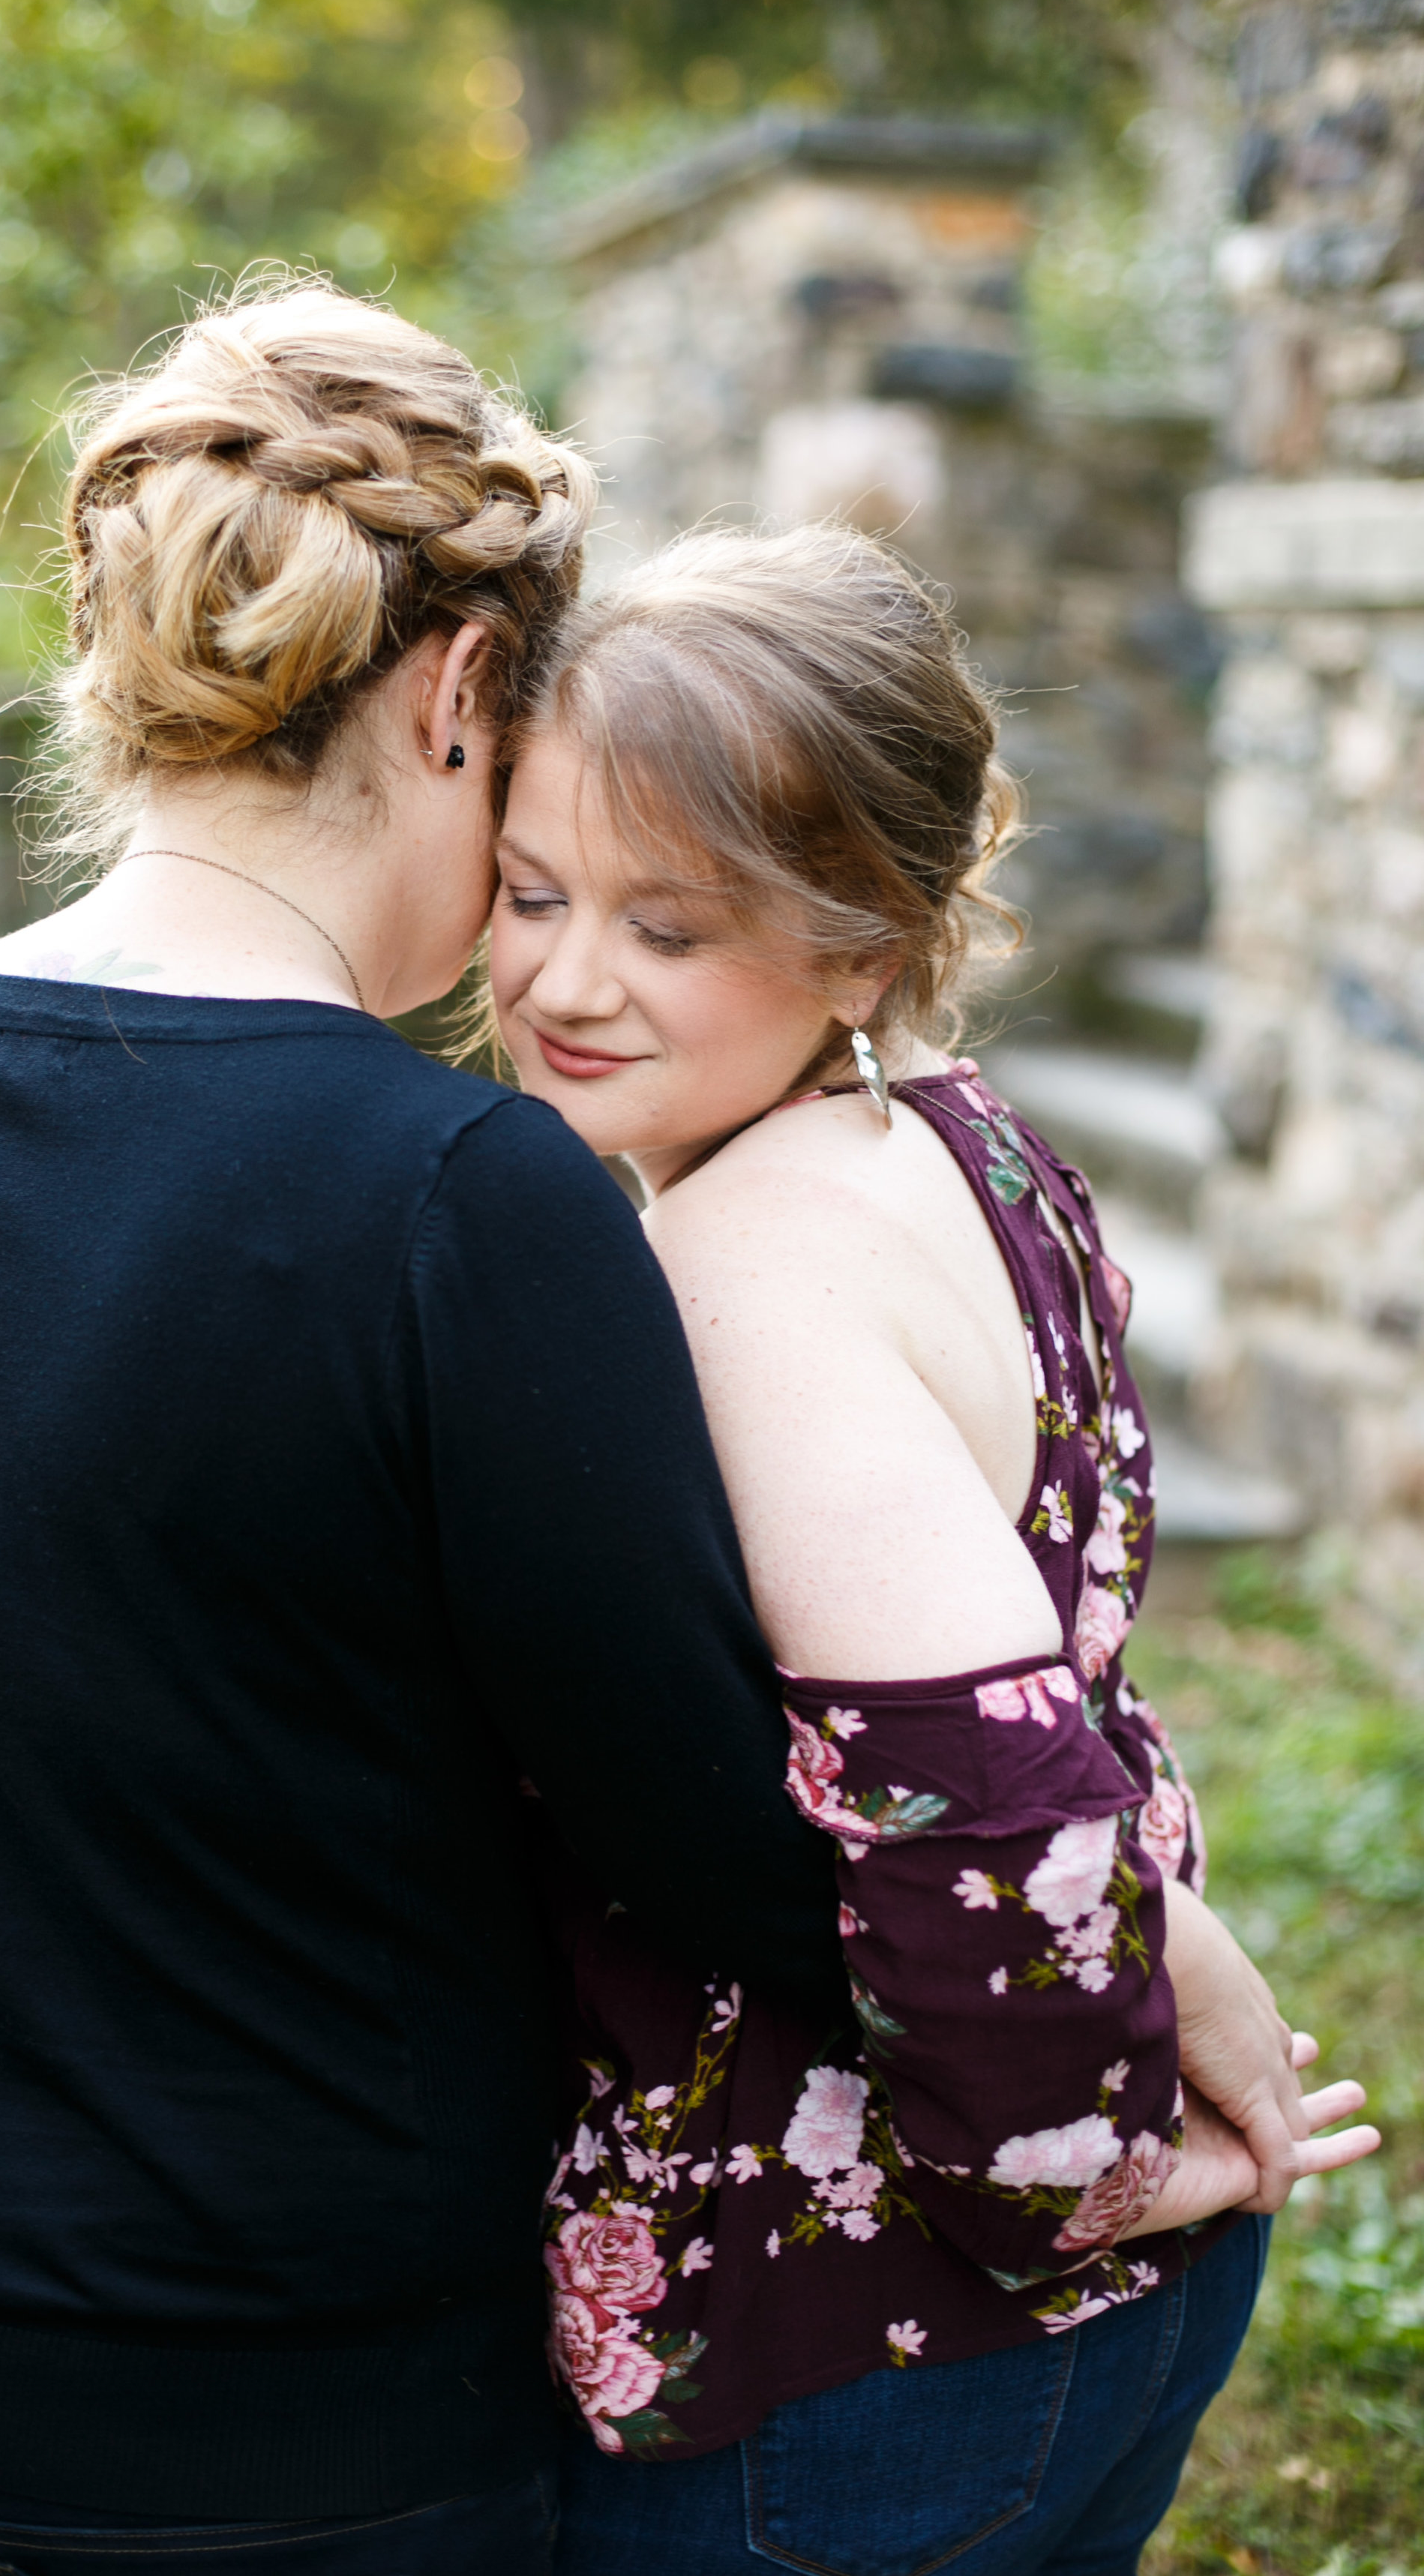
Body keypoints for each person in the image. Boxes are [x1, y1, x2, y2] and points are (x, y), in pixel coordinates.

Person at [0, 285, 865, 2576]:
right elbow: (717, 1840)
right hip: (265, 2435)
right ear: (456, 696)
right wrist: (1113, 1968)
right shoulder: (450, 1194)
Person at [484, 523, 1379, 2576]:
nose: (559, 977)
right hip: (1017, 2310)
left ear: (865, 941)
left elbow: (983, 1798)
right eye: (532, 893)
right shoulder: (966, 1144)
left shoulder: (743, 1264)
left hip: (882, 2337)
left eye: (671, 926)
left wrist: (1065, 2181)